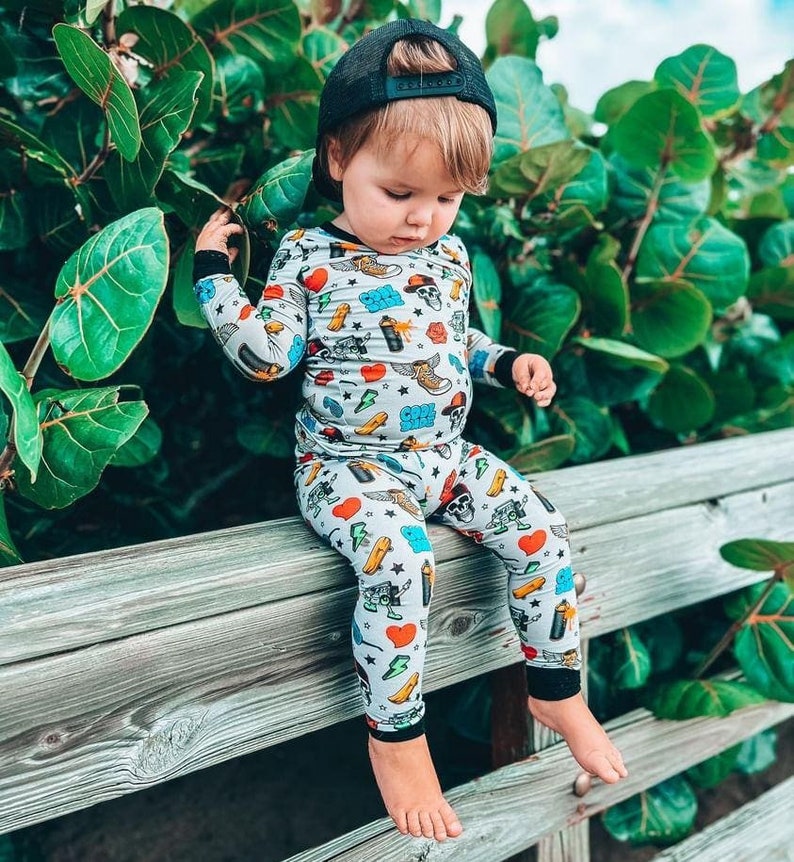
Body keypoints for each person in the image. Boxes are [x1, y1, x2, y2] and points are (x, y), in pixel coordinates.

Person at [193, 17, 627, 843]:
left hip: (443, 457)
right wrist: (216, 276)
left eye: (447, 199)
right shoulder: (307, 256)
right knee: (401, 559)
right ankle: (396, 738)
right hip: (347, 470)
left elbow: (445, 341)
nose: (423, 218)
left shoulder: (448, 258)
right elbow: (266, 357)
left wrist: (505, 365)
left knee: (540, 528)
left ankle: (556, 688)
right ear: (337, 162)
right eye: (400, 194)